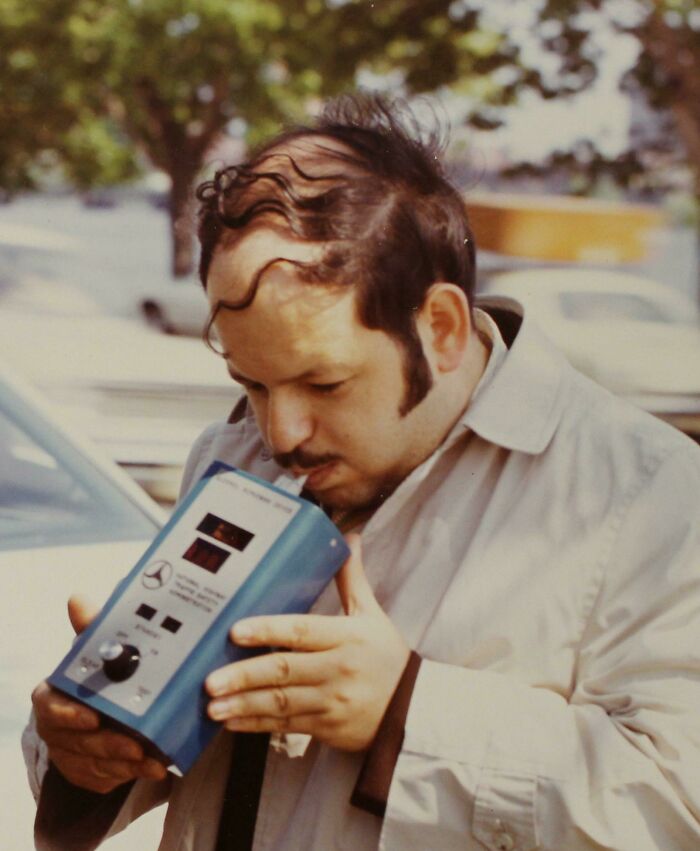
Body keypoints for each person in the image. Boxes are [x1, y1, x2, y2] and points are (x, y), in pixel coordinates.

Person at [25, 94, 700, 851]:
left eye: (325, 385)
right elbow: (149, 752)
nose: (280, 433)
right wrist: (85, 744)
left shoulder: (652, 495)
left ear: (440, 328)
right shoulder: (232, 454)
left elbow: (678, 807)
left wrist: (405, 711)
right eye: (252, 383)